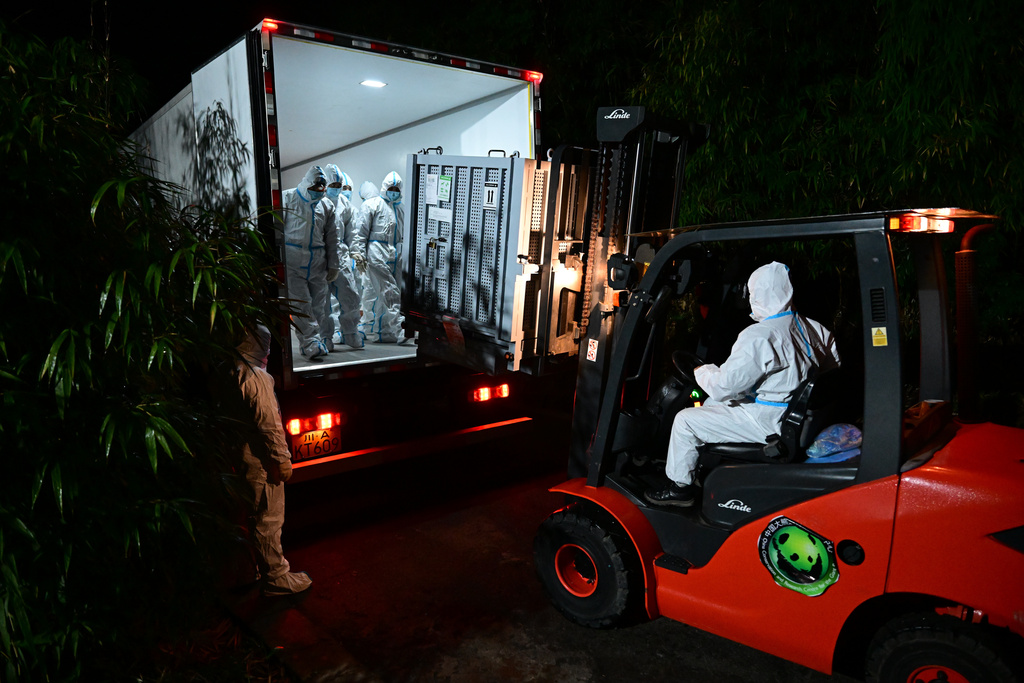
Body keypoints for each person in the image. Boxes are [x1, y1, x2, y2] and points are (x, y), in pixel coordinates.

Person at [645, 262, 841, 508]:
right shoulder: (814, 329)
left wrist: (701, 370)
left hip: (767, 421)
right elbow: (830, 367)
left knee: (686, 420)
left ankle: (679, 488)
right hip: (793, 415)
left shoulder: (762, 335)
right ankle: (700, 468)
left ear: (757, 293)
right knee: (711, 404)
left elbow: (722, 385)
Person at [227, 325, 312, 596]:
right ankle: (275, 577)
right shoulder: (256, 378)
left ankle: (248, 568)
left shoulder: (231, 372)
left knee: (248, 515)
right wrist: (281, 460)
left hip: (239, 457)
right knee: (268, 518)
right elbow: (269, 426)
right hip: (260, 460)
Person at [282, 165, 339, 359]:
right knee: (301, 305)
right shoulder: (287, 198)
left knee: (318, 306)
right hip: (293, 261)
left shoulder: (326, 206)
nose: (318, 192)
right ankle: (310, 343)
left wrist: (334, 264)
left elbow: (332, 238)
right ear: (307, 184)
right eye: (315, 188)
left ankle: (312, 342)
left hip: (317, 262)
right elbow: (275, 231)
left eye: (321, 189)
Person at [351, 172, 406, 343]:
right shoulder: (372, 205)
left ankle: (382, 331)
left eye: (397, 189)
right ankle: (401, 329)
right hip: (376, 252)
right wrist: (359, 255)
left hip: (396, 254)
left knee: (383, 293)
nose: (394, 191)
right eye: (391, 188)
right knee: (390, 291)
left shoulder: (401, 208)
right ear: (384, 187)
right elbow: (360, 232)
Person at [324, 164, 365, 349]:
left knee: (351, 296)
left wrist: (355, 250)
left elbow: (351, 231)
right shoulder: (318, 201)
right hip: (321, 256)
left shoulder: (344, 203)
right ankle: (325, 337)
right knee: (322, 301)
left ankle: (350, 332)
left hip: (341, 255)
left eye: (338, 184)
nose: (337, 187)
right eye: (333, 183)